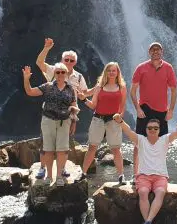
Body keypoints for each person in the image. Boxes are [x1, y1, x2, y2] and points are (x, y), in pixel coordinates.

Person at [114, 111, 177, 224]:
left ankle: (147, 222)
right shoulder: (140, 140)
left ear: (159, 130)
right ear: (146, 129)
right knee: (143, 192)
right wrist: (120, 121)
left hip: (160, 177)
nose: (152, 130)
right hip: (143, 176)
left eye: (155, 128)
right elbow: (128, 130)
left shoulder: (164, 140)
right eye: (149, 128)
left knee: (161, 192)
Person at [35, 38, 91, 178]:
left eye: (72, 60)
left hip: (68, 116)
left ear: (75, 62)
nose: (69, 62)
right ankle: (42, 168)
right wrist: (46, 48)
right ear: (62, 59)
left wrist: (97, 89)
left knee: (64, 145)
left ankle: (63, 169)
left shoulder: (78, 77)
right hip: (50, 114)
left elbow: (84, 92)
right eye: (66, 59)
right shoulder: (55, 70)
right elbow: (39, 63)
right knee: (45, 143)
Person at [22, 64, 79, 186]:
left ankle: (59, 176)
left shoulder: (70, 89)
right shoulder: (48, 86)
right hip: (48, 120)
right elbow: (30, 92)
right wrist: (26, 79)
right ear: (54, 73)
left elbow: (74, 105)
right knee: (48, 149)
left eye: (62, 72)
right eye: (57, 72)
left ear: (66, 74)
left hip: (65, 121)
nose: (60, 75)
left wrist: (74, 121)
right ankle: (49, 175)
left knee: (62, 150)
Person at [131, 42, 177, 176]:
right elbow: (132, 91)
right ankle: (136, 174)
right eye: (153, 49)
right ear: (149, 52)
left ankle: (159, 173)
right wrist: (138, 109)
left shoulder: (168, 68)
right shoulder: (141, 68)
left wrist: (171, 110)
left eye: (158, 49)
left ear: (162, 52)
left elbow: (174, 90)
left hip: (162, 111)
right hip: (144, 109)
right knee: (138, 142)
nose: (156, 51)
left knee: (163, 144)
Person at [79, 62, 127, 183]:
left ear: (117, 72)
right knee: (92, 147)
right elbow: (93, 105)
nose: (111, 72)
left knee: (116, 149)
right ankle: (83, 173)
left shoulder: (122, 87)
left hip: (114, 120)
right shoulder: (99, 87)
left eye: (114, 70)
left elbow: (122, 107)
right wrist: (84, 99)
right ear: (106, 72)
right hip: (98, 119)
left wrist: (120, 118)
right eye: (109, 70)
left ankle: (121, 175)